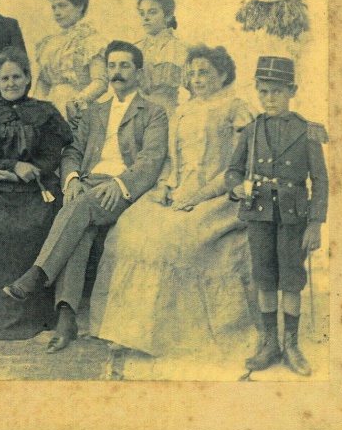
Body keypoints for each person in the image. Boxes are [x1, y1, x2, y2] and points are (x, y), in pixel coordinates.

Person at [90, 46, 257, 357]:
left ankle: (168, 335)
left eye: (204, 72)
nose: (196, 79)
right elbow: (170, 159)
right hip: (179, 191)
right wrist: (165, 186)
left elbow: (240, 166)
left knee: (173, 236)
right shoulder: (182, 110)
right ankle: (126, 329)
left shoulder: (236, 110)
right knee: (129, 226)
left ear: (223, 74)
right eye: (191, 74)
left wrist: (200, 196)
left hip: (221, 196)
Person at [2, 41, 169, 352]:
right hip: (89, 185)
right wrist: (72, 179)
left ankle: (38, 273)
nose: (117, 72)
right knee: (81, 228)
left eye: (124, 66)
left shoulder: (154, 112)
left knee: (79, 210)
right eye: (112, 66)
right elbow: (73, 151)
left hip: (123, 189)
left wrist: (120, 184)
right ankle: (67, 319)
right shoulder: (95, 112)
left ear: (138, 72)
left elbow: (151, 159)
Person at [224, 56, 328, 376]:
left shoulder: (307, 131)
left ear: (292, 91)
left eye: (277, 92)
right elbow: (232, 171)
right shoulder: (251, 130)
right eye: (264, 92)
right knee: (264, 278)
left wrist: (315, 224)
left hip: (293, 217)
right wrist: (236, 187)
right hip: (259, 215)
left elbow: (320, 181)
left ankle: (291, 345)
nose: (270, 99)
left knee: (292, 280)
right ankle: (270, 344)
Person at [0, 47, 73, 340]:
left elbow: (52, 157)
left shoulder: (45, 112)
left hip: (32, 189)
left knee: (39, 224)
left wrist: (27, 171)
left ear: (28, 78)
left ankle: (34, 316)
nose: (11, 83)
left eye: (16, 77)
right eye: (5, 78)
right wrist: (11, 167)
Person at [33, 0, 109, 124]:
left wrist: (76, 102)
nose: (57, 12)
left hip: (80, 111)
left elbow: (100, 82)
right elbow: (43, 83)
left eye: (62, 6)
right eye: (54, 7)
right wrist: (35, 110)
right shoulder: (49, 43)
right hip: (51, 111)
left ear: (79, 6)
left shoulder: (91, 40)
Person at [134, 0, 188, 116]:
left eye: (152, 12)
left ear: (168, 15)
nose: (146, 18)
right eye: (142, 13)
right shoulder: (135, 49)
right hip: (137, 114)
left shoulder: (179, 49)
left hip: (167, 114)